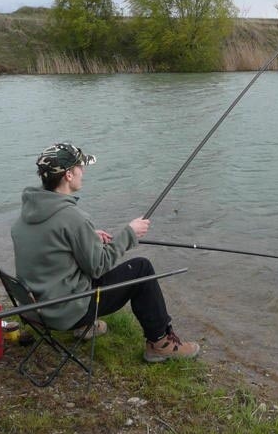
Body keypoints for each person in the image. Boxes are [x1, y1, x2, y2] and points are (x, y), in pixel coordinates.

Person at [10, 142, 199, 362]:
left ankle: (85, 326)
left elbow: (53, 247)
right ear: (69, 175)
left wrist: (89, 237)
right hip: (64, 311)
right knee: (141, 269)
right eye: (81, 167)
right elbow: (99, 267)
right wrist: (129, 234)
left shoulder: (28, 212)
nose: (84, 172)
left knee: (93, 265)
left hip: (36, 309)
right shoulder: (73, 218)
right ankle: (159, 342)